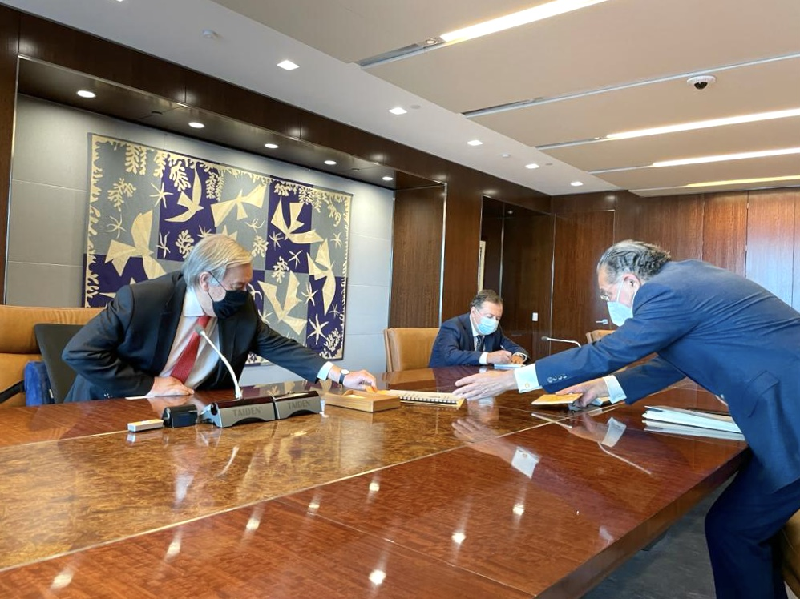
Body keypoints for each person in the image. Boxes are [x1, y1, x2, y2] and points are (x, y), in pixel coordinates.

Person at [454, 239, 800, 599]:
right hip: (789, 415)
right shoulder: (688, 277)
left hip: (792, 422)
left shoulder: (666, 292)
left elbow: (610, 351)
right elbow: (670, 363)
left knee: (734, 530)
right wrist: (604, 387)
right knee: (739, 528)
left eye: (607, 293)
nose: (609, 303)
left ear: (632, 281)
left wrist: (513, 379)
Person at [63, 235, 376, 401]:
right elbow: (78, 352)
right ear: (205, 281)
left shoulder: (239, 309)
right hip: (111, 408)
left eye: (246, 285)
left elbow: (279, 346)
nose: (244, 294)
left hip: (186, 417)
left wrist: (341, 375)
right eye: (237, 286)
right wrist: (148, 384)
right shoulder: (141, 300)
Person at [428, 289, 528, 367]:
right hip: (443, 380)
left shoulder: (495, 330)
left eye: (497, 318)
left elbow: (515, 348)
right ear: (473, 312)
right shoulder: (453, 326)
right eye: (489, 316)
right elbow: (449, 355)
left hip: (477, 382)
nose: (493, 322)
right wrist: (488, 357)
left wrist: (518, 355)